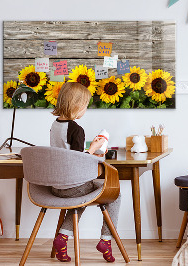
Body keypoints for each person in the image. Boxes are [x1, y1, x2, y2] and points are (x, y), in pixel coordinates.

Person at [50, 82, 120, 263]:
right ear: (77, 106)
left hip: (56, 186)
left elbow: (66, 154)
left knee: (80, 198)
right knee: (115, 194)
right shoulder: (76, 129)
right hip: (73, 186)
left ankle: (62, 238)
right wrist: (95, 148)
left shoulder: (55, 125)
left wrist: (89, 149)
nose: (85, 109)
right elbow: (78, 160)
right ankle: (106, 240)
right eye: (86, 105)